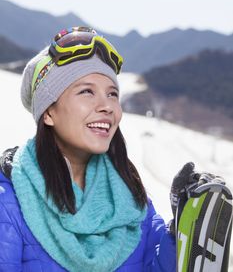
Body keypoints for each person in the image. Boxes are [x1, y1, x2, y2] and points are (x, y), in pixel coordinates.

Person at [0, 26, 220, 271]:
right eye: (86, 91)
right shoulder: (9, 201)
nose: (107, 106)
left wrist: (179, 231)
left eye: (112, 94)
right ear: (49, 112)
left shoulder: (128, 197)